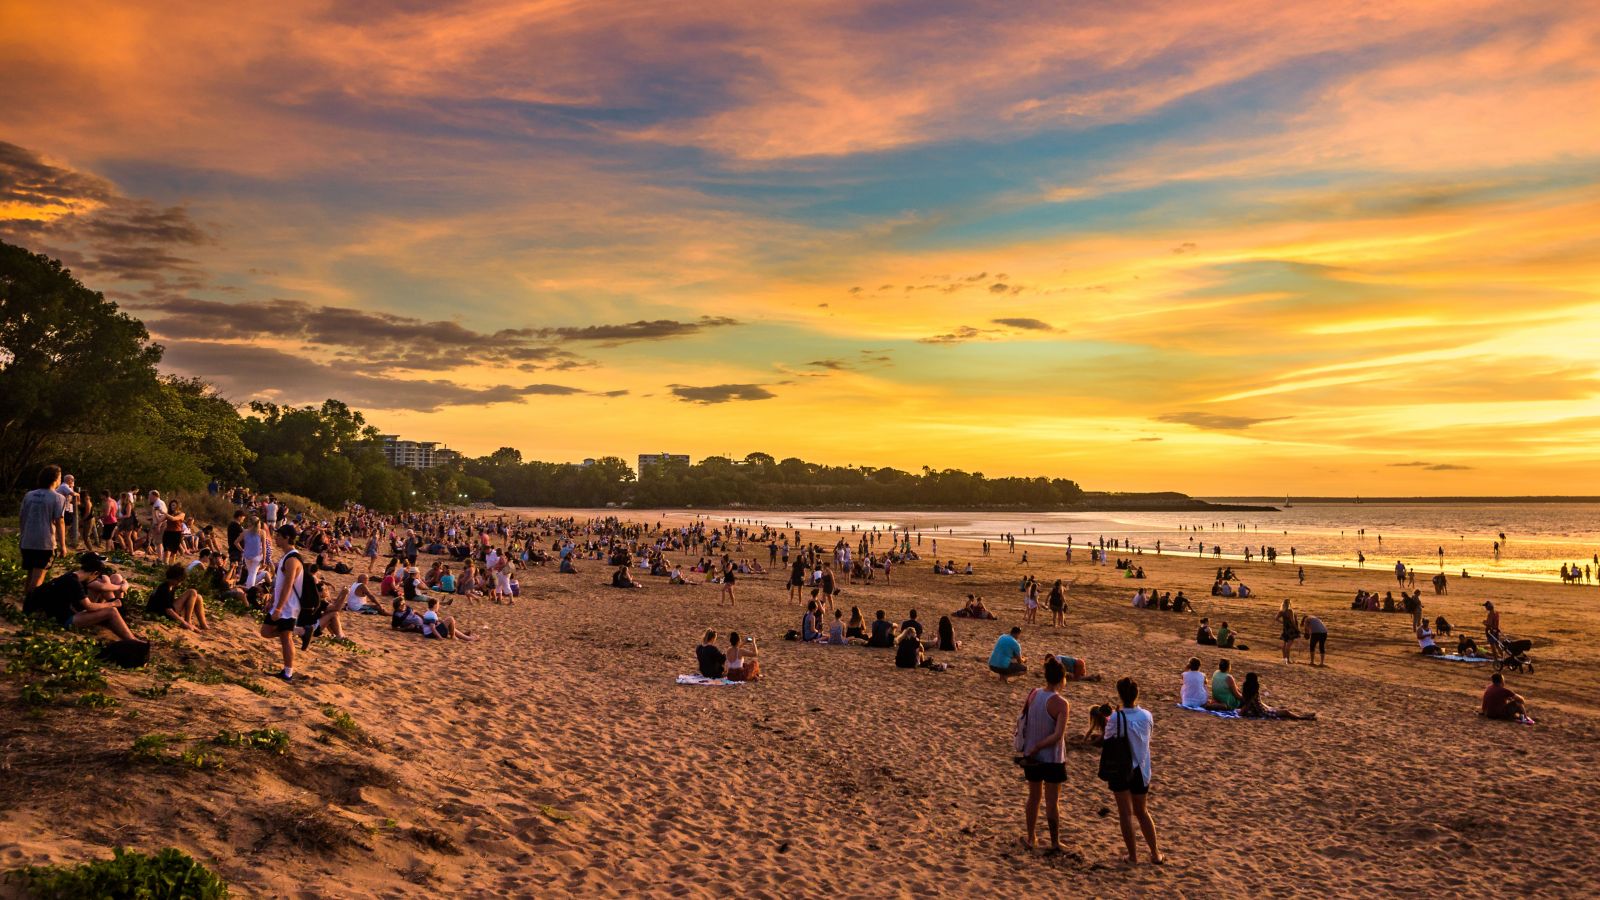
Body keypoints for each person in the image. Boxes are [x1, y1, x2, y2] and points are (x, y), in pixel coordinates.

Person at [1101, 677, 1161, 865]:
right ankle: (1155, 853)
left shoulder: (1116, 717)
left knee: (1125, 813)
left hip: (1121, 768)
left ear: (1120, 695)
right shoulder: (1146, 715)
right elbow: (1147, 737)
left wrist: (1109, 718)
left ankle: (1133, 856)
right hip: (1141, 768)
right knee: (1142, 812)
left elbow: (1107, 738)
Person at [22, 552, 145, 643]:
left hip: (56, 614)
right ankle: (132, 640)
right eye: (96, 577)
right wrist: (113, 604)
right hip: (64, 620)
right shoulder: (74, 582)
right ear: (95, 573)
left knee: (106, 610)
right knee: (111, 611)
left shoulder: (70, 576)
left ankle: (128, 636)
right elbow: (90, 606)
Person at [1015, 656, 1070, 853]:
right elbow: (1058, 735)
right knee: (1052, 801)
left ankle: (1031, 837)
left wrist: (1033, 748)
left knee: (1034, 796)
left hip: (1031, 755)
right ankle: (1055, 842)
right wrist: (1039, 746)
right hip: (1052, 758)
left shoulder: (1033, 694)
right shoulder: (1061, 703)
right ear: (1062, 679)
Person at [260, 525, 311, 682]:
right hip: (282, 605)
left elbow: (288, 585)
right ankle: (301, 631)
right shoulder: (286, 556)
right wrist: (273, 602)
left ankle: (288, 673)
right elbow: (280, 583)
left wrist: (279, 607)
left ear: (287, 537)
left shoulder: (292, 559)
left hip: (288, 607)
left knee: (285, 637)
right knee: (266, 631)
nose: (276, 538)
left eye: (279, 536)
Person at [19, 465, 68, 593]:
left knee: (30, 575)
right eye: (59, 478)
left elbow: (22, 518)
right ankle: (30, 608)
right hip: (45, 543)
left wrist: (22, 537)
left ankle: (26, 606)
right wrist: (63, 545)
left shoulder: (29, 495)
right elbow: (60, 522)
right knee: (38, 579)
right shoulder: (58, 498)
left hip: (27, 541)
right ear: (55, 479)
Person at [146, 564, 209, 633]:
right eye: (180, 581)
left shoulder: (171, 586)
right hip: (160, 613)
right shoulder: (164, 588)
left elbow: (170, 603)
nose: (180, 583)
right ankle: (188, 621)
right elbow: (168, 610)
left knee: (198, 597)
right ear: (175, 578)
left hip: (166, 610)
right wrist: (184, 622)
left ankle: (203, 624)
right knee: (192, 592)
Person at [1238, 672, 1316, 720]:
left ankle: (1302, 715)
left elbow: (1252, 704)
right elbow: (1247, 705)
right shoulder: (1253, 694)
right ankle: (1301, 717)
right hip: (1262, 713)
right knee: (1286, 712)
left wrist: (1268, 707)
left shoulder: (1248, 691)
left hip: (1261, 710)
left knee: (1281, 710)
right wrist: (1241, 713)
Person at [1276, 599, 1300, 664]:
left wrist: (1283, 623)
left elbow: (1276, 618)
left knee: (1284, 645)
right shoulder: (1290, 611)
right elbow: (1292, 621)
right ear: (1289, 604)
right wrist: (1297, 629)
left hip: (1285, 628)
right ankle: (1288, 660)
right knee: (1288, 645)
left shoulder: (1281, 611)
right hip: (1291, 629)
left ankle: (1284, 659)